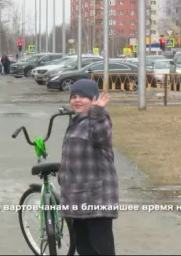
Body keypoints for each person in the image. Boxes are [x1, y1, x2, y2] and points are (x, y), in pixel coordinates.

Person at [57, 79, 117, 255]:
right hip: (78, 198)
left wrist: (98, 111)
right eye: (74, 96)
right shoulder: (77, 122)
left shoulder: (99, 119)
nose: (77, 100)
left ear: (93, 99)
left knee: (100, 249)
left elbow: (100, 136)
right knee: (84, 248)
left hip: (97, 200)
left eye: (82, 97)